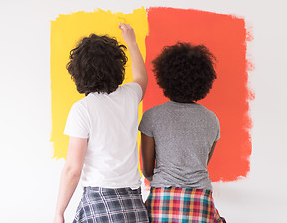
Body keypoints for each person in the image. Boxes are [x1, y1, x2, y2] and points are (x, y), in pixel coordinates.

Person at [53, 23, 149, 223]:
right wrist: (131, 42)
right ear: (117, 66)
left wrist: (59, 212)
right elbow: (141, 77)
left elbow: (73, 169)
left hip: (99, 202)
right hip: (133, 204)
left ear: (78, 72)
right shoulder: (130, 96)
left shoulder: (83, 109)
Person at [139, 42, 226, 222]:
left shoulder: (152, 116)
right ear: (204, 81)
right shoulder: (212, 119)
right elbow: (202, 162)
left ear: (165, 78)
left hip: (161, 201)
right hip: (200, 201)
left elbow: (148, 170)